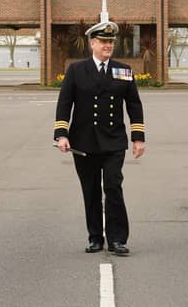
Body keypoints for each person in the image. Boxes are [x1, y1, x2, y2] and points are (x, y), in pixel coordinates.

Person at [54, 20, 145, 256]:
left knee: (113, 187)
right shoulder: (76, 70)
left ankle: (117, 239)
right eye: (104, 42)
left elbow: (134, 105)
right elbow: (65, 104)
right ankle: (95, 237)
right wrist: (62, 134)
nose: (108, 46)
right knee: (91, 190)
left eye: (111, 42)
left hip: (113, 141)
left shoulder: (123, 71)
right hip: (83, 143)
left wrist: (138, 137)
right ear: (92, 43)